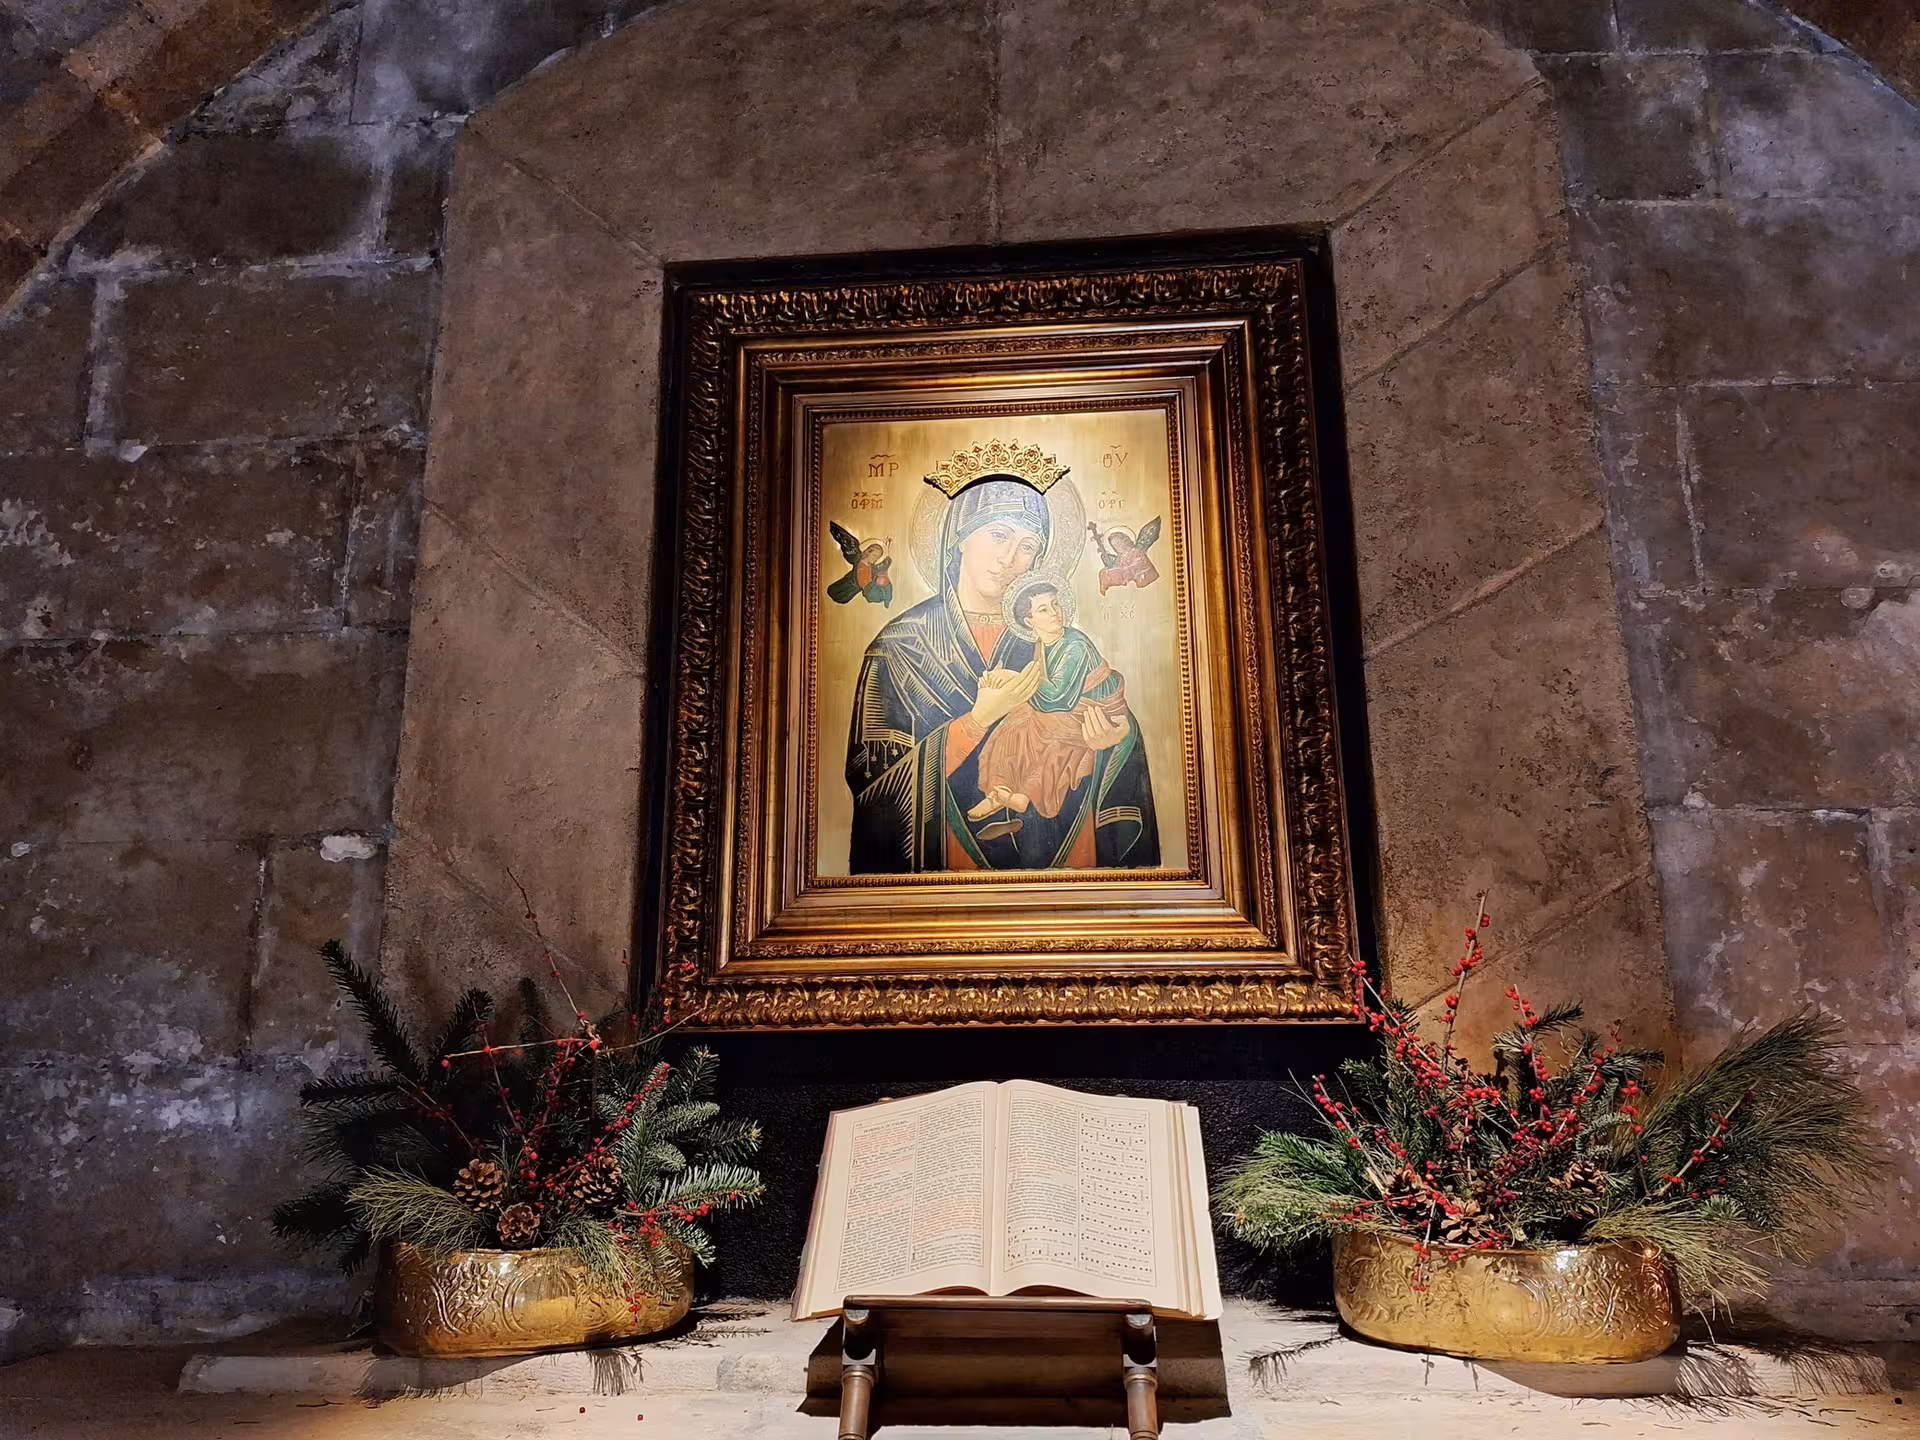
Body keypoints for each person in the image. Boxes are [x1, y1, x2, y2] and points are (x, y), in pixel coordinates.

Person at [844, 474, 1158, 873]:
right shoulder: (900, 646)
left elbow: (1106, 712)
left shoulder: (1050, 638)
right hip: (945, 874)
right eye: (998, 535)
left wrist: (1116, 737)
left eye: (1027, 547)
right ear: (959, 537)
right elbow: (872, 780)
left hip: (1062, 865)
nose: (1010, 558)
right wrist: (976, 722)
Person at [966, 580, 1128, 825]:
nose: (1054, 612)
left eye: (1055, 604)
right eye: (1044, 609)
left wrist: (1014, 678)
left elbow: (1056, 698)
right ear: (1029, 621)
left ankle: (1025, 793)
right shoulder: (1043, 643)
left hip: (1093, 711)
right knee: (1011, 725)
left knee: (1049, 738)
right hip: (1068, 708)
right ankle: (999, 790)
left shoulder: (1075, 645)